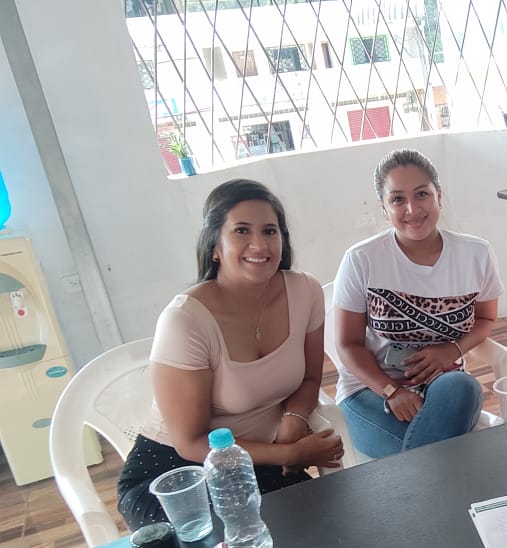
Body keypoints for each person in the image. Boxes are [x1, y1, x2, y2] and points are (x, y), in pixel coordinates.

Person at [117, 179, 344, 529]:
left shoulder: (305, 291)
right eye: (241, 230)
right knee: (247, 540)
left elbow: (311, 378)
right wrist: (289, 453)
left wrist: (294, 420)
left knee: (326, 527)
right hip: (177, 473)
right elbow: (190, 442)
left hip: (258, 459)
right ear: (215, 247)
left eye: (270, 231)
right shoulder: (185, 321)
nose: (259, 244)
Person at [333, 148, 504, 458]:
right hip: (369, 389)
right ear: (384, 208)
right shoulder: (362, 259)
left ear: (439, 196)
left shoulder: (475, 254)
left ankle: (426, 477)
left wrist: (452, 350)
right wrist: (392, 391)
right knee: (440, 455)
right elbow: (347, 345)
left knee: (463, 387)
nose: (412, 209)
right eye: (398, 199)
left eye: (422, 194)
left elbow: (486, 319)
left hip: (443, 385)